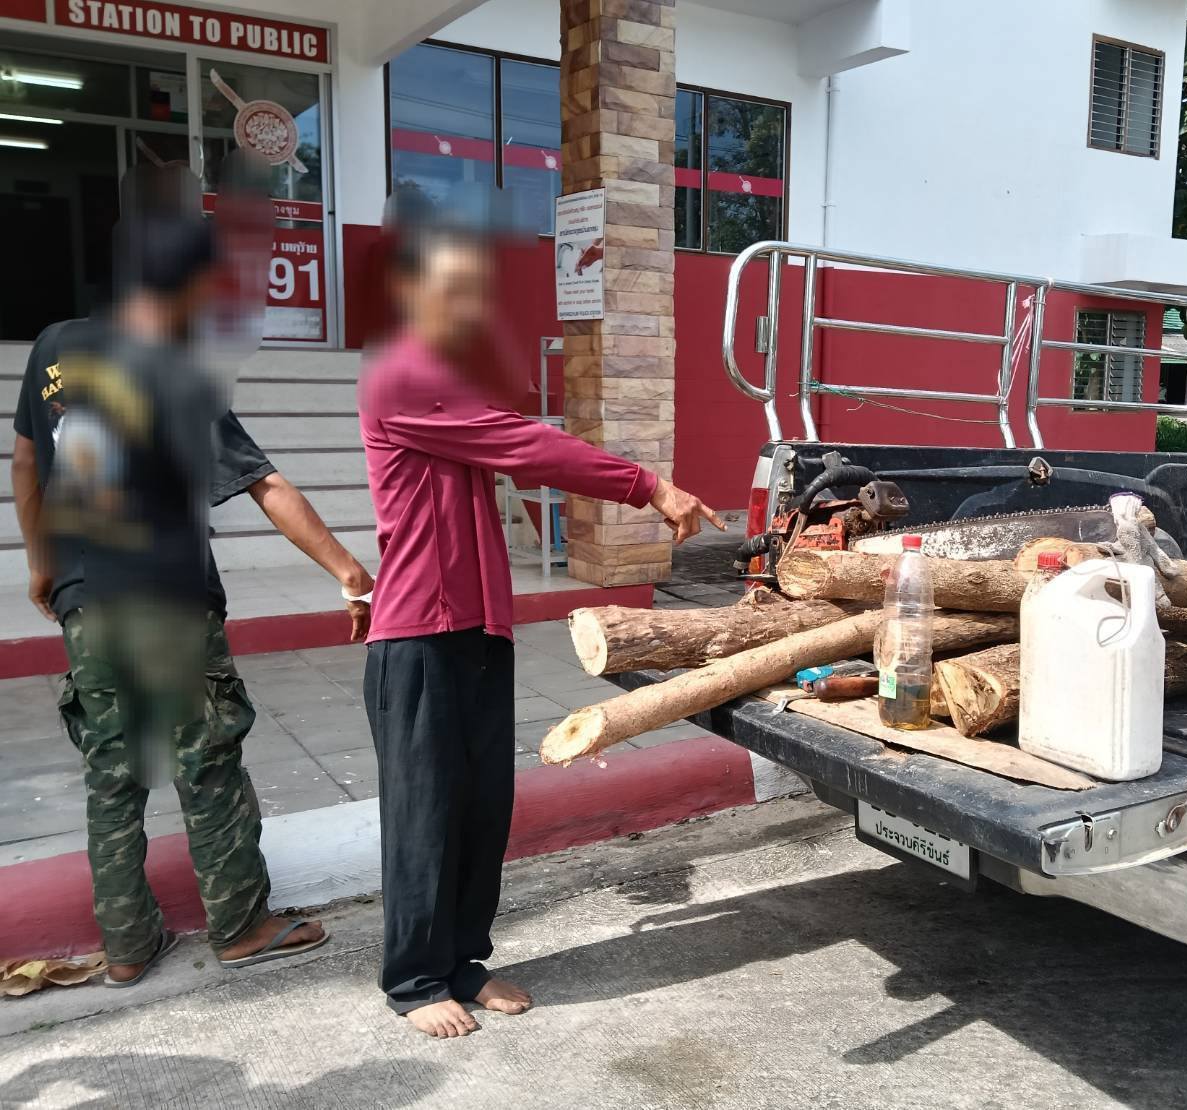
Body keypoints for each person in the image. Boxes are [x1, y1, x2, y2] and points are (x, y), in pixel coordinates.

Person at [359, 210, 722, 1038]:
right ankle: (415, 980)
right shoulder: (399, 375)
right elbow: (528, 445)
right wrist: (648, 485)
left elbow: (512, 411)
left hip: (479, 630)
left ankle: (462, 962)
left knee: (482, 806)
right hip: (417, 636)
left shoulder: (448, 377)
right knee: (425, 814)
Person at [12, 300, 372, 984]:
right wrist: (349, 571)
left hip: (87, 599)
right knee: (205, 763)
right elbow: (263, 483)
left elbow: (27, 461)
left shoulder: (54, 345)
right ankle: (240, 926)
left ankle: (127, 947)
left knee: (111, 773)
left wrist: (41, 563)